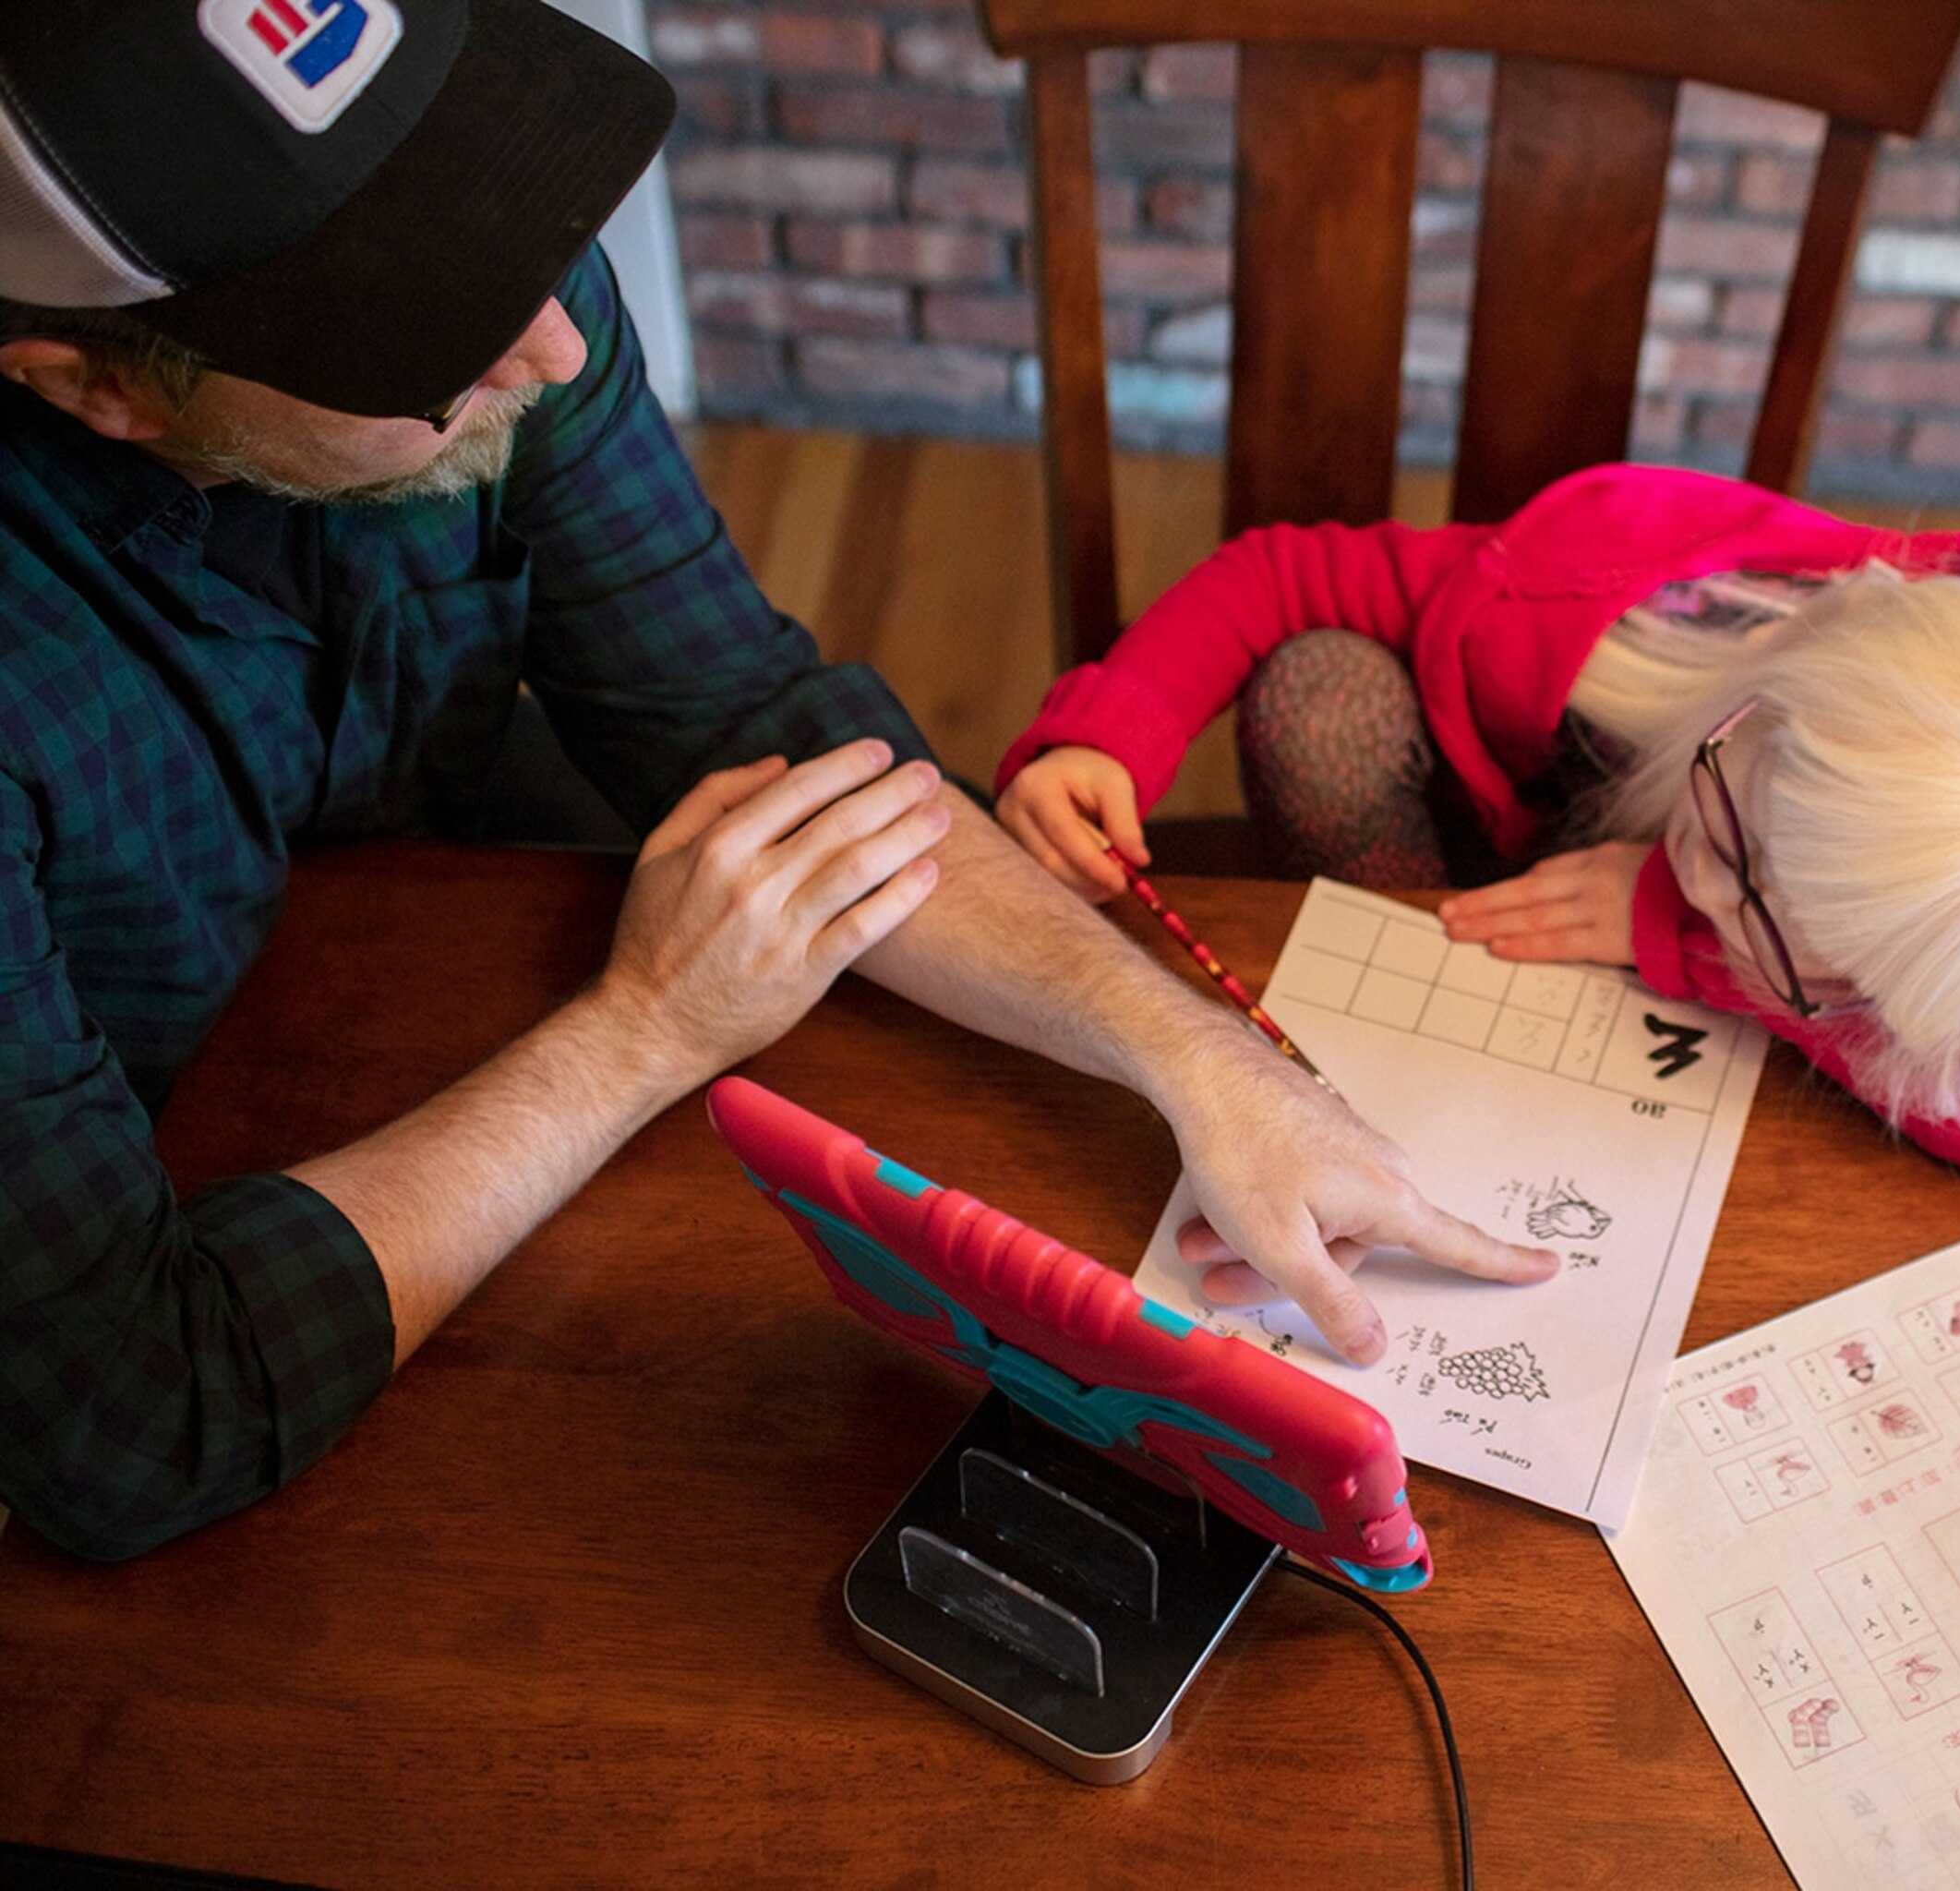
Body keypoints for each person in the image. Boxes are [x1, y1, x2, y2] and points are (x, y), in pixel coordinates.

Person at [0, 0, 1551, 1563]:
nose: (554, 342)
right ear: (97, 388)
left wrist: (1199, 1056)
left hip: (399, 945)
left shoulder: (508, 327)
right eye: (424, 333)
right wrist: (644, 1029)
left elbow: (750, 718)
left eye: (511, 228)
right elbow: (131, 1412)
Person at [998, 464, 1960, 1190]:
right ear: (1794, 678)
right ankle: (1383, 1005)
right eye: (1729, 807)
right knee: (1321, 692)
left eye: (1771, 927)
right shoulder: (1623, 597)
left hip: (1650, 1068)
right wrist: (1114, 729)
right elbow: (1286, 574)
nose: (1705, 877)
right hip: (1483, 863)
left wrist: (1675, 938)